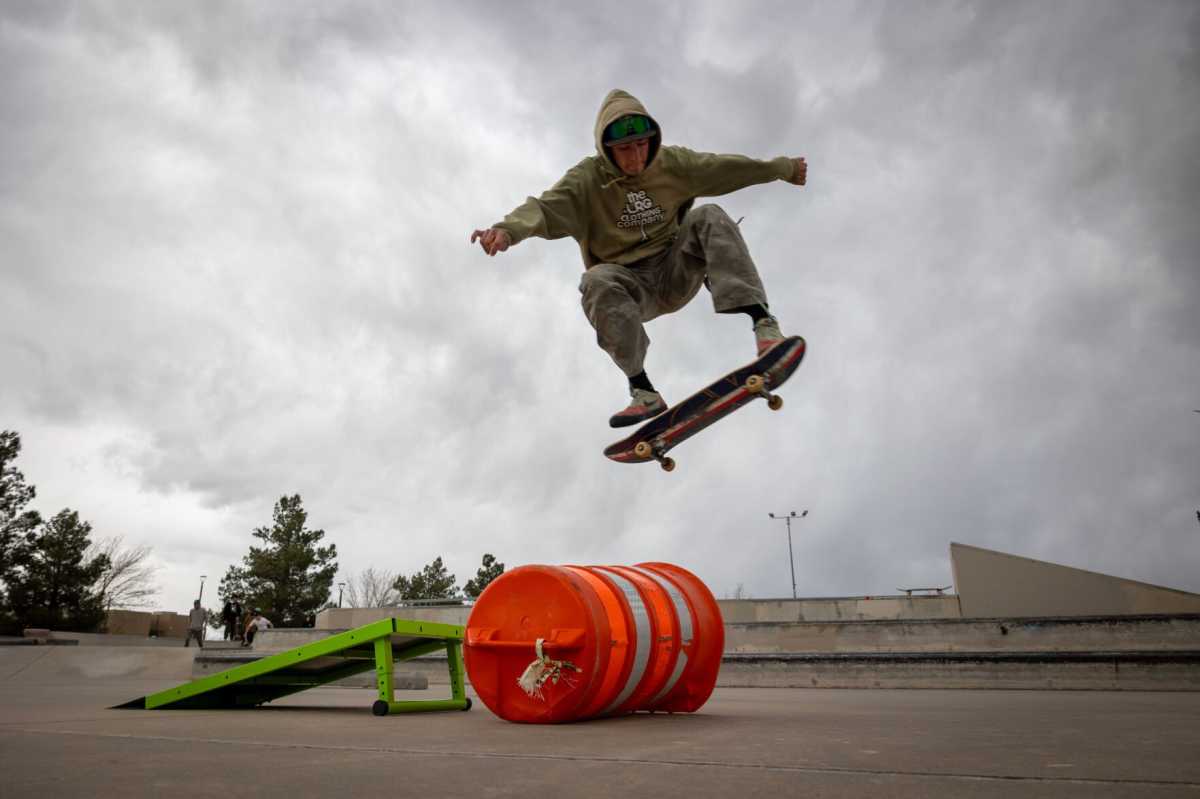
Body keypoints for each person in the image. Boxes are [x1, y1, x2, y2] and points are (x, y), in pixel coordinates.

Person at [472, 89, 807, 427]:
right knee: (595, 280)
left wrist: (783, 168)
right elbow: (543, 209)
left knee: (709, 215)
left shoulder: (674, 164)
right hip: (630, 288)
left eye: (640, 146)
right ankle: (643, 392)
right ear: (607, 149)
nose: (634, 158)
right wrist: (507, 230)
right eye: (624, 150)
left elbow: (726, 169)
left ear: (651, 140)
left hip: (676, 269)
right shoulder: (586, 181)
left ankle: (764, 326)